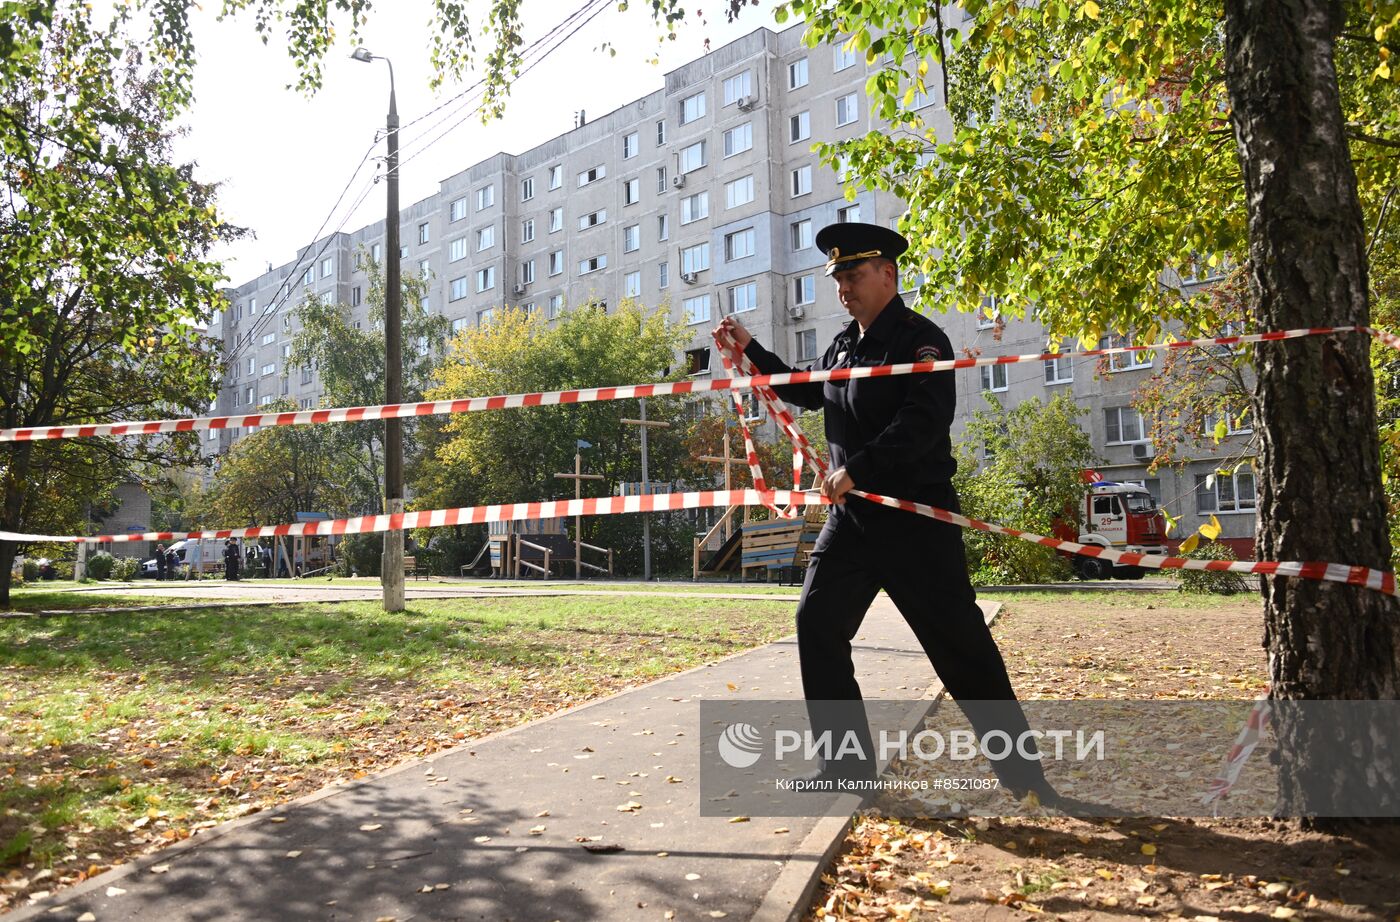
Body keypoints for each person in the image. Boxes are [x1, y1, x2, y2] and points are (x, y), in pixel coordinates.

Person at [714, 221, 1054, 803]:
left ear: (888, 274)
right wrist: (750, 349)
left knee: (961, 650)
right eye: (838, 277)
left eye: (854, 274)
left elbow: (924, 420)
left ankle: (1026, 779)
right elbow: (805, 388)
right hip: (851, 524)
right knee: (817, 626)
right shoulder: (845, 345)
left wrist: (859, 468)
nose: (844, 286)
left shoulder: (921, 340)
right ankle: (847, 770)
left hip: (917, 521)